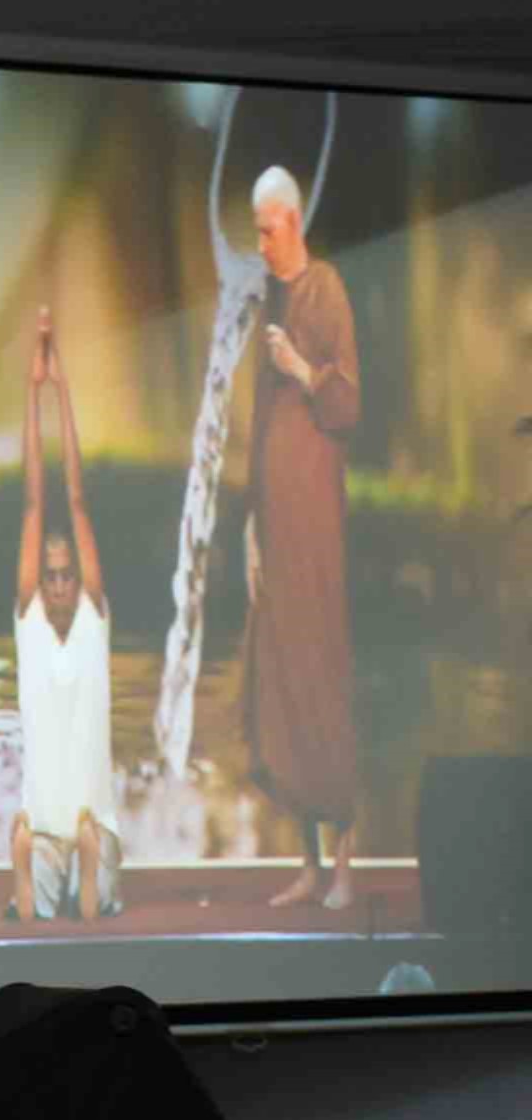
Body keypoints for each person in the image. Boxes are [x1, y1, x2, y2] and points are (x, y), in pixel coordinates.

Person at [241, 164, 363, 909]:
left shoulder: (327, 288)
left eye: (266, 230)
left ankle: (345, 865)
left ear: (291, 220)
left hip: (317, 524)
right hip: (277, 524)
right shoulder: (272, 300)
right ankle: (310, 862)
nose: (259, 244)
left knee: (321, 673)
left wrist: (302, 369)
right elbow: (260, 424)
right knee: (282, 679)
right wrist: (251, 524)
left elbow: (348, 404)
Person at [8, 311, 121, 925]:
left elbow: (73, 498)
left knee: (93, 861)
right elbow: (33, 501)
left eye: (65, 575)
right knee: (43, 877)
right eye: (49, 575)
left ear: (79, 581)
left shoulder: (91, 621)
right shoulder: (28, 621)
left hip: (92, 825)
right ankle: (37, 868)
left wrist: (64, 390)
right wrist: (31, 391)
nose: (55, 584)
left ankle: (85, 870)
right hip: (49, 828)